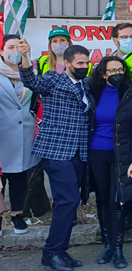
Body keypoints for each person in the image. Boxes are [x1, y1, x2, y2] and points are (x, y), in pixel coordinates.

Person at [18, 40, 92, 271]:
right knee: (67, 199)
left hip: (78, 151)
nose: (84, 66)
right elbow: (31, 80)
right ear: (67, 63)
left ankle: (61, 250)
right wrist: (26, 57)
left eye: (87, 62)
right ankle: (51, 253)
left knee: (70, 202)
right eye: (80, 63)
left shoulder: (85, 86)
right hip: (55, 150)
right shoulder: (53, 80)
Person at [87, 56, 132, 269]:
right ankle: (108, 245)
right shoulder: (93, 92)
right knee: (101, 200)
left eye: (120, 69)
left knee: (116, 201)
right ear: (103, 73)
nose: (117, 73)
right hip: (96, 153)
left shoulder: (130, 93)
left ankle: (119, 249)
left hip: (121, 155)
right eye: (112, 70)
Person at [0, 34, 39, 236]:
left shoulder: (29, 72)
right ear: (2, 51)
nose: (14, 51)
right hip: (2, 135)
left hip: (24, 133)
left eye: (18, 47)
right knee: (1, 179)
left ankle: (17, 215)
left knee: (18, 177)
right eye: (10, 47)